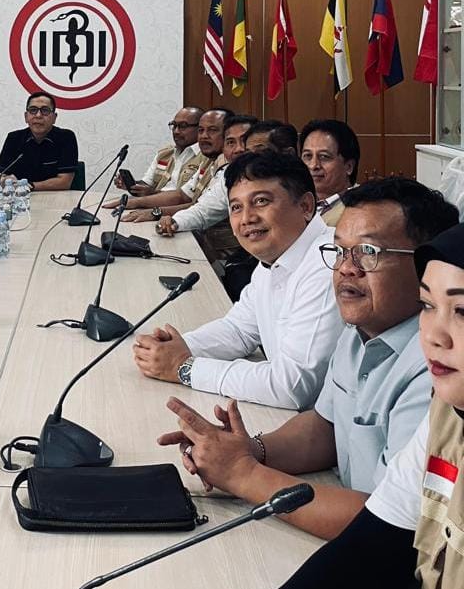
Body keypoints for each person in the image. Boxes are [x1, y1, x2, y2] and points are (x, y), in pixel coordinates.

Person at [156, 178, 458, 541]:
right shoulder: (360, 331)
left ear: (428, 267)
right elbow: (325, 426)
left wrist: (244, 475)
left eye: (368, 251)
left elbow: (389, 521)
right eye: (340, 251)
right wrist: (248, 450)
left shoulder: (440, 367)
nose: (347, 268)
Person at [280, 221, 464, 589]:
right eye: (428, 305)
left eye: (462, 311)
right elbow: (373, 541)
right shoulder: (446, 415)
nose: (433, 336)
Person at [132, 151, 343, 410]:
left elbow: (293, 386)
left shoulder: (329, 263)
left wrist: (185, 368)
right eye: (236, 207)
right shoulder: (275, 257)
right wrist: (175, 348)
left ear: (306, 206)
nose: (246, 218)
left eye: (261, 201)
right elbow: (239, 330)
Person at [156, 120, 298, 301]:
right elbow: (203, 209)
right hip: (251, 262)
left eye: (261, 152)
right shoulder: (234, 174)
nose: (248, 218)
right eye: (231, 143)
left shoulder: (295, 185)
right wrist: (174, 222)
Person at [106, 108, 232, 220]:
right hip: (178, 218)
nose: (204, 136)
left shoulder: (224, 165)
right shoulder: (209, 161)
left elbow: (200, 207)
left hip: (205, 234)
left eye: (212, 130)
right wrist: (135, 199)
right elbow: (182, 195)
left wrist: (154, 212)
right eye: (201, 130)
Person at [0, 91, 79, 191]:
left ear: (54, 117)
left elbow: (64, 182)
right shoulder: (14, 138)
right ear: (26, 117)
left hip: (56, 197)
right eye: (33, 110)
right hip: (21, 198)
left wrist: (29, 186)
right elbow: (1, 175)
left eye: (45, 110)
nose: (38, 115)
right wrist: (6, 180)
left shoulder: (66, 137)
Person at [114, 107, 202, 196]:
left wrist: (153, 193)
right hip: (152, 201)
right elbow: (147, 184)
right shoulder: (164, 154)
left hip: (178, 204)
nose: (176, 131)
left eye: (183, 126)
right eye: (174, 125)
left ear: (200, 129)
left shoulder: (205, 158)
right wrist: (131, 185)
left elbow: (188, 196)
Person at [299, 119, 360, 227]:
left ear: (349, 166)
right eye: (308, 156)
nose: (313, 165)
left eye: (324, 157)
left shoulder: (360, 210)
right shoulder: (295, 203)